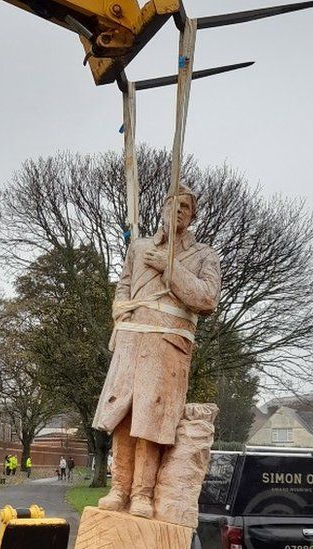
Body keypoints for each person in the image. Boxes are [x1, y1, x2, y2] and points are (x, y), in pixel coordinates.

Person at [92, 184, 221, 519]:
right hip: (132, 340)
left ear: (192, 216)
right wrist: (120, 309)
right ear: (163, 208)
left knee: (151, 419)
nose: (178, 210)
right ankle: (118, 489)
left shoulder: (204, 255)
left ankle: (142, 495)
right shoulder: (139, 247)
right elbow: (123, 285)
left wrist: (170, 267)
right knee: (123, 416)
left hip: (168, 344)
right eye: (172, 204)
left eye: (185, 207)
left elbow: (207, 299)